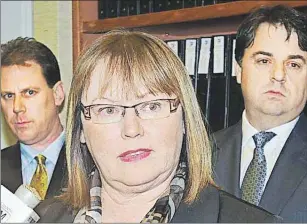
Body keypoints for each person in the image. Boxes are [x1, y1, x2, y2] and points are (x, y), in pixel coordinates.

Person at [36, 30, 280, 223]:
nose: (131, 129)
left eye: (152, 106)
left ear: (184, 119)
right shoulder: (39, 219)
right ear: (80, 131)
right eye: (108, 110)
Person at [213, 5, 307, 223]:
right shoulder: (200, 155)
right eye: (264, 61)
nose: (278, 75)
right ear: (238, 70)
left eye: (293, 64)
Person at [1, 37, 66, 200]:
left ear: (57, 94)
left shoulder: (93, 165)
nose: (17, 107)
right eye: (8, 96)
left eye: (29, 93)